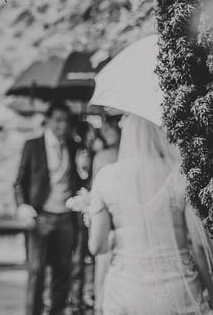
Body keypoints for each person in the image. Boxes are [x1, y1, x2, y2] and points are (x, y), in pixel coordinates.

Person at [88, 114, 213, 314]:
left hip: (125, 288)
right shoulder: (180, 175)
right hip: (177, 288)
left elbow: (97, 246)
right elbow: (199, 245)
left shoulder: (106, 177)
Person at [14, 100, 87, 315]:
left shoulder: (75, 146)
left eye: (66, 121)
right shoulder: (32, 145)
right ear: (48, 121)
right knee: (36, 272)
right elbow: (19, 182)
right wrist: (22, 205)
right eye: (58, 120)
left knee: (63, 271)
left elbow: (80, 180)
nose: (62, 125)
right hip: (41, 216)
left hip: (66, 218)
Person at [90, 113, 121, 314]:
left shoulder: (135, 155)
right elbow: (95, 195)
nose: (105, 131)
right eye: (103, 128)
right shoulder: (101, 157)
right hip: (106, 225)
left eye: (109, 126)